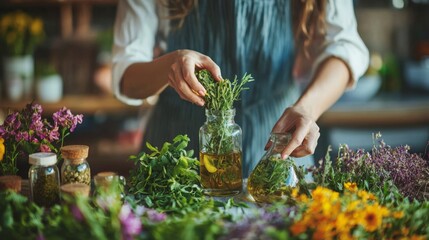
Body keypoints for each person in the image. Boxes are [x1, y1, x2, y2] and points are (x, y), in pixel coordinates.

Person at [111, 0, 369, 177]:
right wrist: (170, 64)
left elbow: (345, 47)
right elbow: (126, 76)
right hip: (177, 156)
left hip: (277, 140)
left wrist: (307, 109)